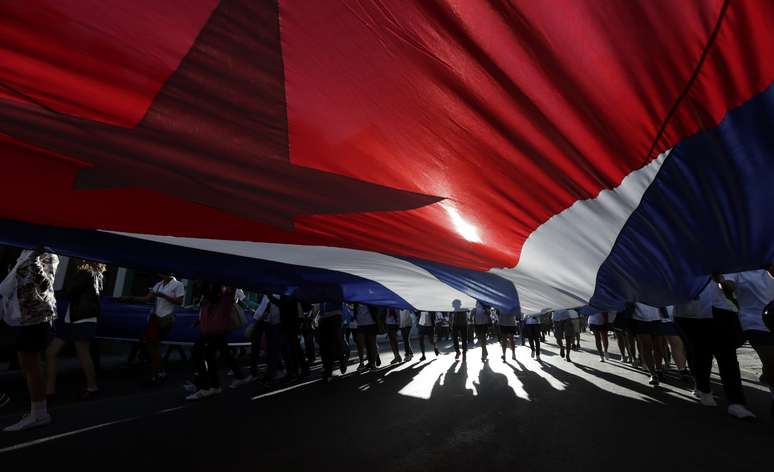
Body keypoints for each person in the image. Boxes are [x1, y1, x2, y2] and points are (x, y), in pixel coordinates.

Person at [674, 282, 753, 419]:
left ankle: (736, 403)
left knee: (727, 357)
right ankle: (703, 389)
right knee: (700, 354)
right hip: (689, 315)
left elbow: (732, 283)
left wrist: (723, 282)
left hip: (721, 312)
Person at [0, 249, 59, 432]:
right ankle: (38, 411)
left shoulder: (46, 253)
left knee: (30, 363)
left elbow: (44, 284)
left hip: (35, 317)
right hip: (25, 316)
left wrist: (34, 261)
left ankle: (39, 413)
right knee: (27, 362)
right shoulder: (27, 252)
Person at [46, 260, 104, 400]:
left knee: (82, 353)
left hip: (82, 317)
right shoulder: (97, 273)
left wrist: (50, 293)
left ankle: (92, 387)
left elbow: (70, 291)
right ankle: (49, 390)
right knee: (51, 352)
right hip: (74, 317)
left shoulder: (85, 271)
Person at [186, 285, 250, 400]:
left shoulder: (225, 299)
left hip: (217, 332)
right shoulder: (209, 301)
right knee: (209, 355)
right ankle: (212, 386)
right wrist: (198, 322)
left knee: (201, 353)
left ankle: (205, 387)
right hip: (209, 332)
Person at [731, 266, 774, 419]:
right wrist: (722, 283)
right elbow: (728, 286)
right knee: (770, 360)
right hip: (754, 322)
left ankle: (767, 376)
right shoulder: (738, 267)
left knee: (771, 365)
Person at [129, 273, 185, 385]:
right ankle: (158, 372)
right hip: (155, 319)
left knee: (153, 345)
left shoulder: (178, 284)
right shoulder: (158, 284)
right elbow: (147, 298)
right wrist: (131, 298)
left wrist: (163, 296)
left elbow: (179, 302)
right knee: (151, 346)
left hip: (166, 319)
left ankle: (158, 372)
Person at [632, 303, 665, 386]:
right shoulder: (634, 289)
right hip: (640, 318)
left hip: (658, 318)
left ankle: (659, 369)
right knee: (647, 347)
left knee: (658, 347)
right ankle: (653, 374)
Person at [317, 302, 347, 382]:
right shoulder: (321, 291)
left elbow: (342, 302)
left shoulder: (335, 290)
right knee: (324, 346)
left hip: (335, 317)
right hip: (323, 318)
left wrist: (343, 321)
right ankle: (328, 371)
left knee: (333, 345)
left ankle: (341, 360)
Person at [354, 303, 379, 370]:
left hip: (371, 323)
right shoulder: (356, 298)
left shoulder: (369, 297)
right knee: (360, 345)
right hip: (360, 324)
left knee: (372, 344)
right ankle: (362, 363)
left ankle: (373, 364)